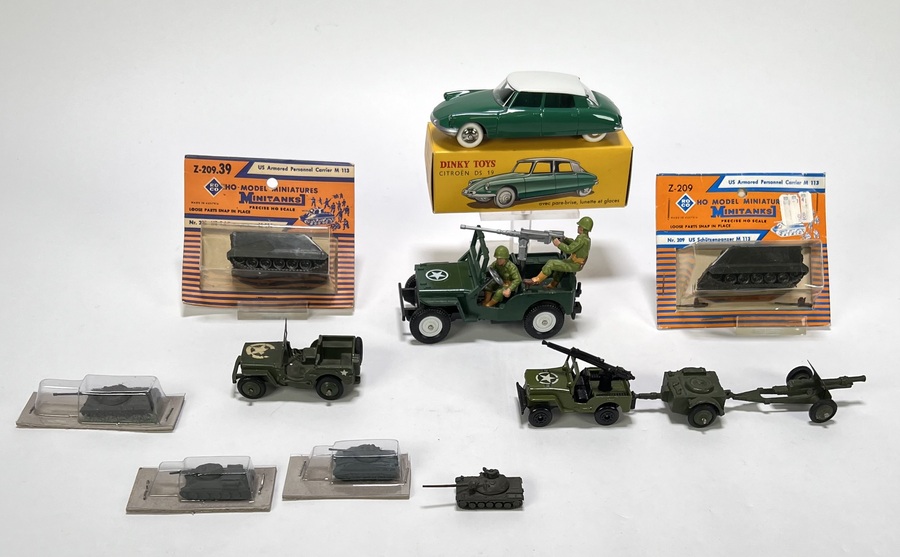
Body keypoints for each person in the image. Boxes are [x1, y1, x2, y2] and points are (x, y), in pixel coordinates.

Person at [524, 216, 592, 288]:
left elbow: (569, 249)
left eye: (579, 226)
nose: (578, 227)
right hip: (574, 262)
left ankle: (536, 280)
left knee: (551, 263)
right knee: (559, 268)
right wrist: (565, 239)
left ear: (582, 228)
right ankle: (553, 285)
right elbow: (575, 244)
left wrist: (558, 244)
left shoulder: (581, 238)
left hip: (574, 264)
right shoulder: (586, 238)